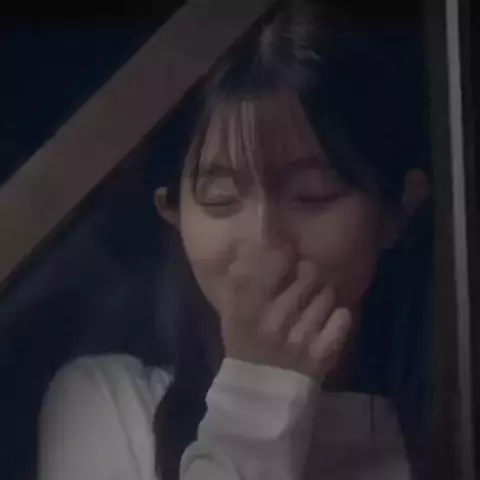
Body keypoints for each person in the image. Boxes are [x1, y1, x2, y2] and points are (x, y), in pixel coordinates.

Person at [38, 1, 433, 479]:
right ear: (174, 214)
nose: (264, 244)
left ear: (396, 212)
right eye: (221, 199)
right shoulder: (111, 406)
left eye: (313, 195)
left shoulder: (443, 423)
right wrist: (257, 396)